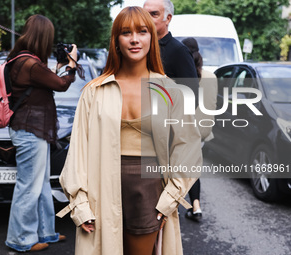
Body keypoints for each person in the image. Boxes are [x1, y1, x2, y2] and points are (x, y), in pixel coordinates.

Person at [58, 6, 202, 255]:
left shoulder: (171, 91)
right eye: (126, 32)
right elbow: (78, 152)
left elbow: (188, 148)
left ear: (151, 38)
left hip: (149, 189)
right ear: (116, 40)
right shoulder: (94, 91)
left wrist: (170, 198)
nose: (135, 39)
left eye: (142, 31)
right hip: (100, 187)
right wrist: (79, 203)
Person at [5, 14, 78, 252]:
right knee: (29, 187)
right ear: (43, 36)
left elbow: (44, 84)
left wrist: (56, 68)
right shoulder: (29, 63)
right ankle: (21, 239)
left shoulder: (23, 60)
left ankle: (46, 232)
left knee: (41, 185)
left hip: (32, 130)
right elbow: (61, 84)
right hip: (30, 130)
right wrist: (72, 64)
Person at [182, 37, 218, 221]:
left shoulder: (178, 76)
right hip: (201, 132)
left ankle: (168, 206)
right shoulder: (211, 77)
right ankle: (196, 205)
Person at [143, 0, 199, 106]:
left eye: (154, 14)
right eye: (144, 14)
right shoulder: (139, 47)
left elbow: (193, 97)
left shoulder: (179, 51)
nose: (147, 19)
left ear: (168, 18)